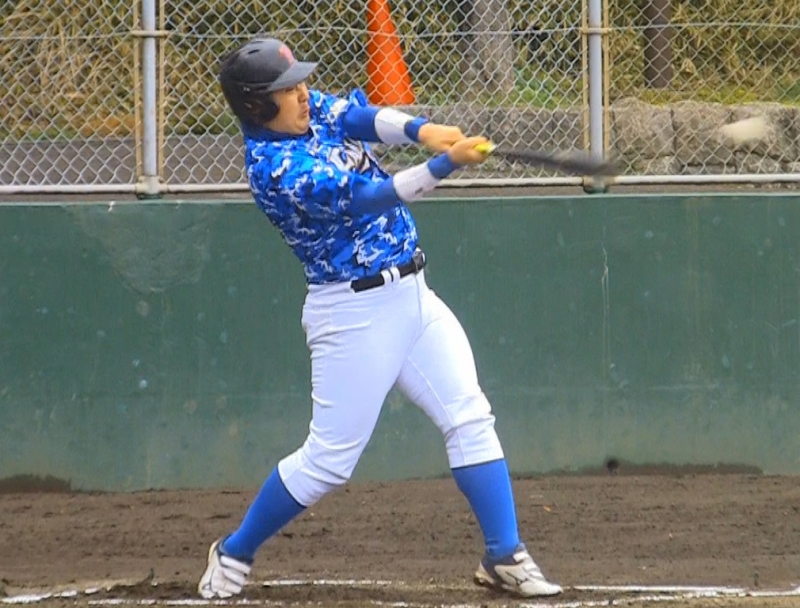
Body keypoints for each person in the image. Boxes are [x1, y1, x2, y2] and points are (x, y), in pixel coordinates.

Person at [198, 36, 562, 600]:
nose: (302, 94)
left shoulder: (305, 112)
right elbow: (373, 194)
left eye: (299, 83)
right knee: (329, 461)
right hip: (353, 313)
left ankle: (504, 555)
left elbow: (356, 116)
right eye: (287, 90)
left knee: (469, 416)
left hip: (414, 294)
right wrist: (444, 164)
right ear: (255, 105)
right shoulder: (277, 170)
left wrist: (422, 130)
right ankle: (234, 551)